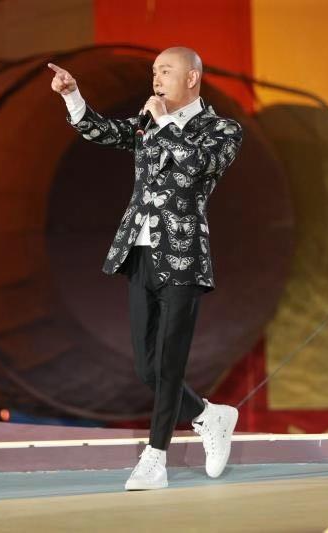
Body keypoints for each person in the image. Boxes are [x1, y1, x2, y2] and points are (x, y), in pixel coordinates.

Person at [48, 46, 243, 491]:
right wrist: (72, 95)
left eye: (166, 70)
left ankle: (155, 458)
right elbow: (102, 132)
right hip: (138, 248)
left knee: (170, 365)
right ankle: (209, 416)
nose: (156, 79)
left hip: (184, 255)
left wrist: (165, 124)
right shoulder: (147, 121)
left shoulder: (222, 129)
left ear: (191, 78)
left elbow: (197, 165)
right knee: (147, 367)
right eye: (154, 71)